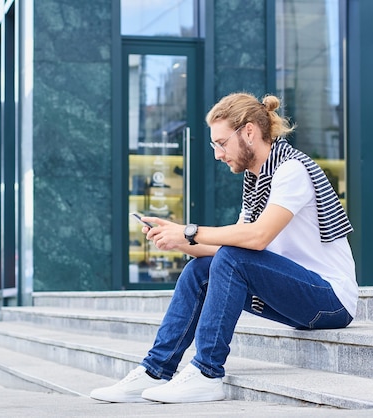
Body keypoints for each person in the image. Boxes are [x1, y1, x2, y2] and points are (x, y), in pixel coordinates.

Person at [90, 92, 358, 404]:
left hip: (331, 300)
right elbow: (227, 255)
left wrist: (191, 231)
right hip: (296, 294)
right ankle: (155, 370)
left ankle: (206, 372)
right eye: (214, 145)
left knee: (233, 255)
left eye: (221, 143)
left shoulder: (291, 170)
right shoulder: (256, 181)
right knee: (200, 270)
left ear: (248, 131)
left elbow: (255, 239)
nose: (218, 154)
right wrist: (177, 239)